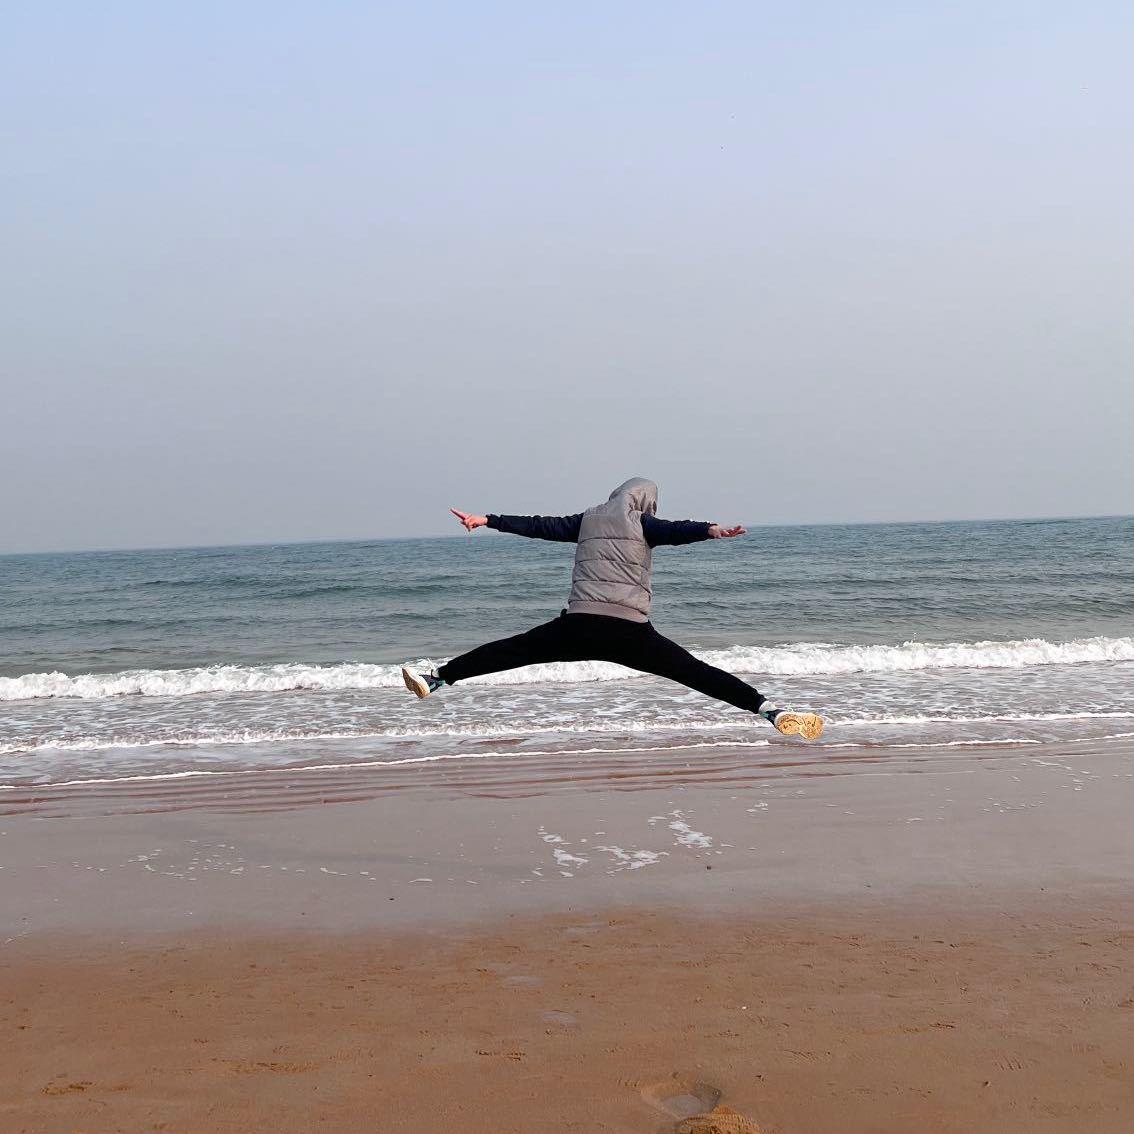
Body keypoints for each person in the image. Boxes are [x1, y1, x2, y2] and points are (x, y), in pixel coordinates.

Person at [401, 477, 823, 739]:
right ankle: (771, 711)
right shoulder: (642, 522)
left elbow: (538, 525)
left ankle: (437, 679)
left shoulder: (586, 520)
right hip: (628, 631)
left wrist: (487, 519)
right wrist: (713, 531)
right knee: (695, 672)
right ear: (644, 501)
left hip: (578, 624)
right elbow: (676, 530)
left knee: (511, 651)